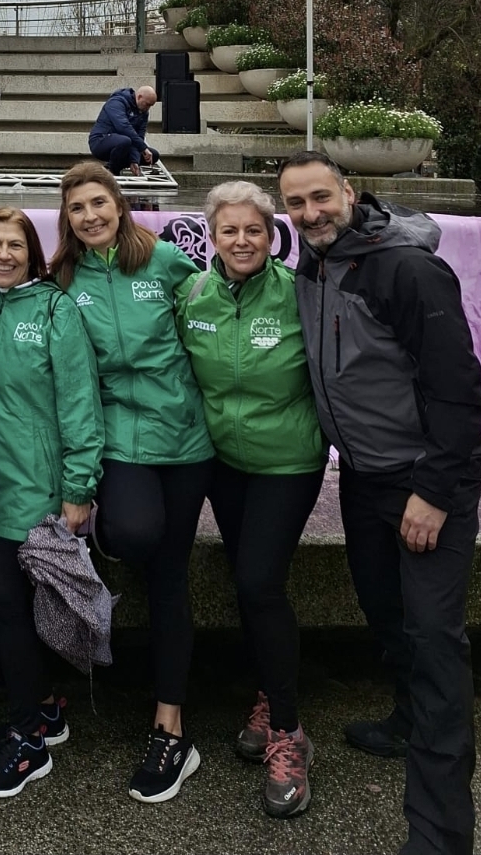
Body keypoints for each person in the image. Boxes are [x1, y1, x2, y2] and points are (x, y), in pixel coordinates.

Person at [278, 150, 481, 855]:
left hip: (426, 483)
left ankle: (441, 834)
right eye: (296, 205)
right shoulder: (314, 263)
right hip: (364, 478)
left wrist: (434, 490)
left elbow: (459, 389)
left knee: (434, 647)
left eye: (319, 198)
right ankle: (404, 720)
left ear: (348, 192)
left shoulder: (408, 268)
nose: (309, 214)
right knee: (388, 618)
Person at [51, 161, 213, 803]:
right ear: (67, 219)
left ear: (119, 205)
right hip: (119, 437)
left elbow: (210, 318)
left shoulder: (168, 260)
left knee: (170, 575)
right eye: (77, 208)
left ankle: (170, 725)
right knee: (134, 533)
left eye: (99, 203)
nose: (90, 216)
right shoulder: (65, 278)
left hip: (185, 437)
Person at [175, 180, 326, 819]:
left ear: (273, 236)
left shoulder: (300, 296)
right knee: (245, 582)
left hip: (287, 461)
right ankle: (266, 693)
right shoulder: (192, 293)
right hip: (222, 463)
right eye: (229, 230)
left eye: (254, 230)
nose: (241, 241)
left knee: (261, 583)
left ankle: (289, 735)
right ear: (212, 236)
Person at [0, 208, 103, 799]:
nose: (2, 255)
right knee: (3, 605)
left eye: (14, 245)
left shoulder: (54, 308)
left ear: (33, 252)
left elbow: (79, 402)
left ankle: (30, 744)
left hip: (34, 490)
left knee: (1, 597)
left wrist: (78, 487)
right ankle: (44, 710)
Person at [88, 84, 158, 176]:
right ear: (139, 97)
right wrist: (143, 148)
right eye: (147, 104)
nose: (148, 108)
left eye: (150, 106)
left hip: (124, 143)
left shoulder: (143, 112)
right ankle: (112, 171)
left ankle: (116, 165)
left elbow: (139, 137)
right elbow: (123, 127)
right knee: (125, 141)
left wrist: (134, 160)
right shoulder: (116, 102)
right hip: (101, 140)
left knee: (154, 154)